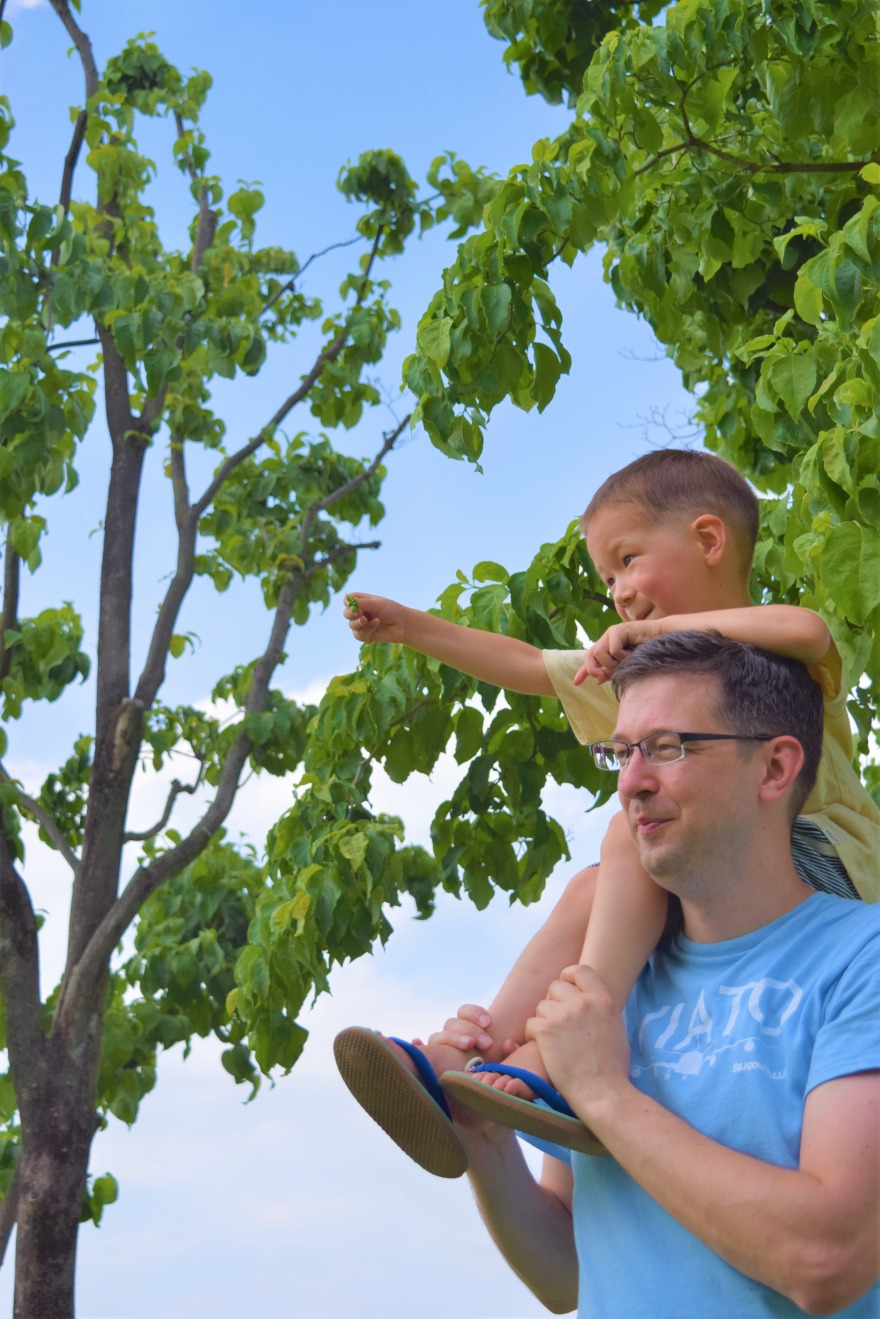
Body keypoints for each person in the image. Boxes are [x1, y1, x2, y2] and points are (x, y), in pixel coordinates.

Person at [333, 450, 880, 1175]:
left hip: (826, 867)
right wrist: (415, 627)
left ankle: (567, 1041)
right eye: (608, 578)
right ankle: (471, 1054)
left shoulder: (766, 652)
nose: (619, 593)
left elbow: (809, 628)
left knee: (626, 832)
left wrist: (651, 641)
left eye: (628, 560)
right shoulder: (644, 675)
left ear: (710, 540)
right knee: (590, 889)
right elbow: (532, 665)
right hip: (713, 872)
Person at [435, 633, 880, 1317]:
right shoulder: (615, 981)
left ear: (774, 767)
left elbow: (828, 1259)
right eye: (621, 750)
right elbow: (567, 1276)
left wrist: (602, 1092)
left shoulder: (863, 957)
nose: (629, 780)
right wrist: (484, 1139)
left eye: (669, 746)